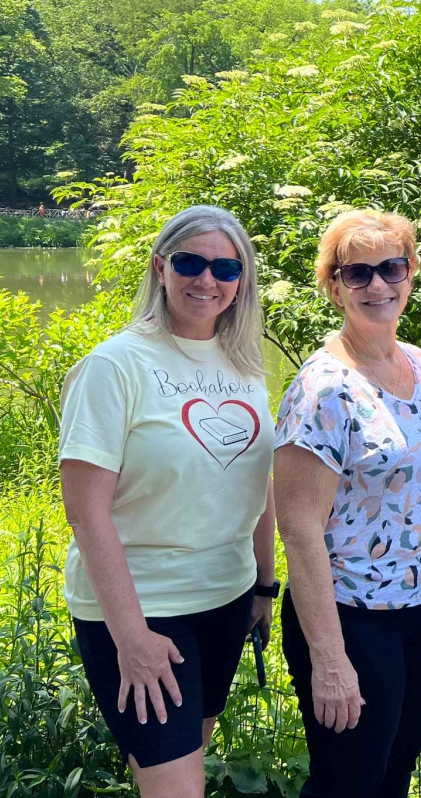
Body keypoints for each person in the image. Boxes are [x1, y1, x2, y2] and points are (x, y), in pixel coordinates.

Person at [59, 205, 277, 796]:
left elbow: (257, 481)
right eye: (189, 263)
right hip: (143, 608)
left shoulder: (244, 365)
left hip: (226, 598)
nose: (207, 280)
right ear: (160, 267)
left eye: (226, 268)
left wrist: (264, 585)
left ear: (241, 281)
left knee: (189, 765)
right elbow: (85, 511)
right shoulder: (113, 366)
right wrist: (131, 637)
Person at [274, 210, 421, 797]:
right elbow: (299, 528)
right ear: (334, 286)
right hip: (349, 617)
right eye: (358, 273)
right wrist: (330, 659)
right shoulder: (323, 389)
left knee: (395, 773)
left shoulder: (419, 364)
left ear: (411, 273)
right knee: (347, 783)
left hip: (417, 611)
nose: (378, 284)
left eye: (391, 267)